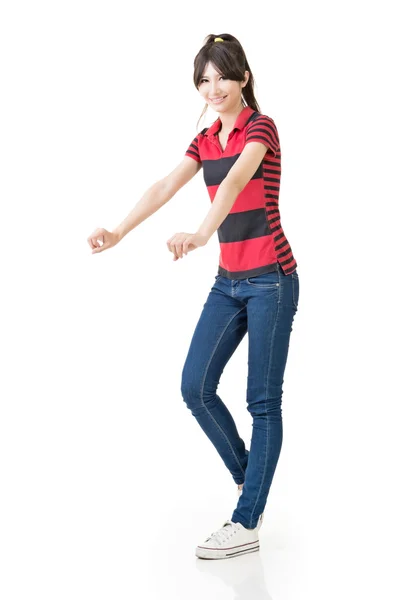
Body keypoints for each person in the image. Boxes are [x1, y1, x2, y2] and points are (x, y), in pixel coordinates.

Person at [87, 33, 299, 561]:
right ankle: (251, 480)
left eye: (222, 76)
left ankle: (246, 520)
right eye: (203, 80)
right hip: (229, 281)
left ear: (243, 77)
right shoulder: (204, 138)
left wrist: (201, 235)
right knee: (195, 386)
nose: (213, 87)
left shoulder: (261, 127)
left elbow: (232, 185)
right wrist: (119, 231)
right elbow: (164, 186)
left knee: (261, 401)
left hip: (272, 275)